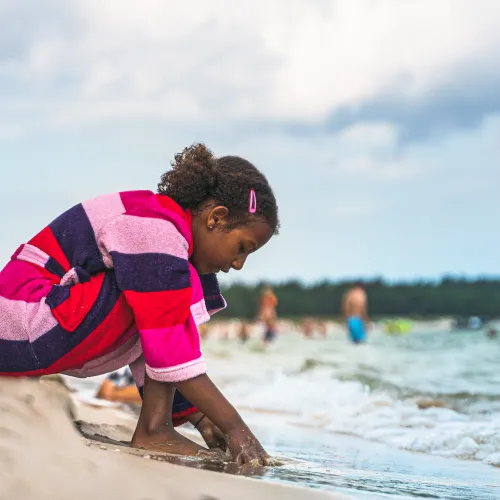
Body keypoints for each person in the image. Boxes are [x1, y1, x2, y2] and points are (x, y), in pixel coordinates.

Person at [0, 143, 279, 465]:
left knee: (164, 287)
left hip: (21, 328)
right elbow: (165, 338)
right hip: (19, 322)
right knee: (165, 288)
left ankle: (156, 425)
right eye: (242, 247)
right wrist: (237, 429)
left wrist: (199, 417)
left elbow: (156, 339)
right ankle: (153, 429)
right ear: (216, 218)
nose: (239, 264)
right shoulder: (154, 228)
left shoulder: (158, 224)